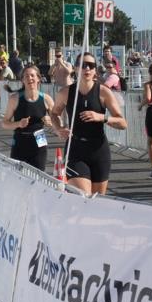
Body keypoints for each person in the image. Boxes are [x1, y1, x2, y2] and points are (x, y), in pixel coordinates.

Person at [51, 52, 127, 196]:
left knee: (98, 201)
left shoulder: (103, 92)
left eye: (91, 66)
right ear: (76, 68)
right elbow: (54, 113)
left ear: (95, 70)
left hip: (99, 150)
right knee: (84, 197)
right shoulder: (66, 92)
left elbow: (122, 123)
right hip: (75, 149)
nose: (87, 69)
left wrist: (101, 117)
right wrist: (58, 128)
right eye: (83, 65)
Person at [1, 66, 54, 172]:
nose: (30, 78)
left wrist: (50, 121)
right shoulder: (15, 99)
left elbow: (57, 121)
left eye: (32, 75)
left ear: (38, 78)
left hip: (39, 142)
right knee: (18, 177)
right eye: (26, 76)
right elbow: (4, 123)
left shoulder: (46, 99)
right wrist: (18, 124)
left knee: (39, 176)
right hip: (20, 142)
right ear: (22, 80)